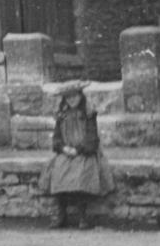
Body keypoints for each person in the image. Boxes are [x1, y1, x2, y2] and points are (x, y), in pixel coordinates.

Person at [40, 87, 113, 229]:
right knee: (57, 172)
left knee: (81, 173)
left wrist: (78, 149)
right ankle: (60, 215)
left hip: (85, 153)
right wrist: (63, 148)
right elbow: (56, 139)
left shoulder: (89, 114)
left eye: (74, 97)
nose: (72, 100)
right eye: (68, 98)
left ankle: (82, 216)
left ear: (80, 97)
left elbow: (92, 139)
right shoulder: (61, 116)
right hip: (66, 153)